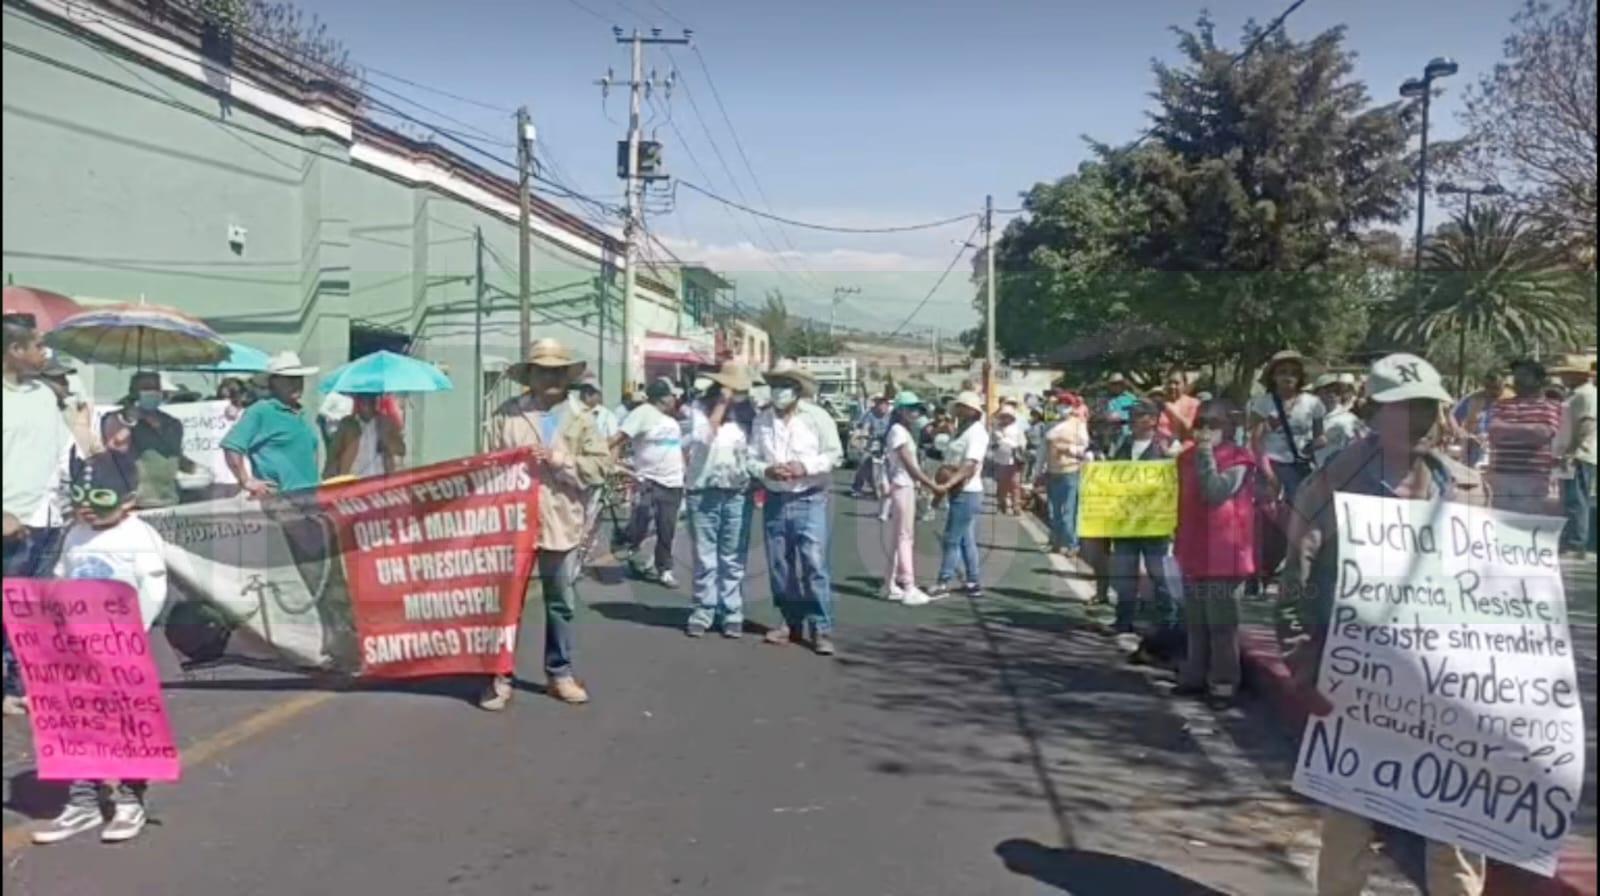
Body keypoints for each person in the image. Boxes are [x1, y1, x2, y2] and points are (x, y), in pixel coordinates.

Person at [1279, 353, 1488, 896]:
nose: (1421, 418)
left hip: (1447, 687)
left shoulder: (1468, 487)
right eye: (1406, 406)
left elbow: (1492, 585)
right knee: (1349, 828)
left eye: (1430, 405)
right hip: (1356, 688)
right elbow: (1296, 581)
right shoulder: (1332, 483)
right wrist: (1303, 663)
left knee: (1458, 830)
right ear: (1376, 412)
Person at [32, 459, 167, 844]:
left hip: (122, 650)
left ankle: (129, 799)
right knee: (77, 723)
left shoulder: (139, 535)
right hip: (77, 651)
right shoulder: (75, 533)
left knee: (126, 725)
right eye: (80, 497)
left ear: (128, 501)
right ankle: (83, 800)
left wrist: (130, 636)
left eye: (100, 498)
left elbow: (153, 587)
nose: (88, 506)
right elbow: (61, 578)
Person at [480, 338, 611, 709]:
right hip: (513, 523)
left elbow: (599, 468)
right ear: (531, 375)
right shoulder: (508, 414)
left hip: (559, 521)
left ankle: (560, 673)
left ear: (566, 376)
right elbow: (487, 462)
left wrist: (559, 460)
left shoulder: (581, 418)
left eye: (557, 371)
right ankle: (498, 676)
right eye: (543, 370)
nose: (550, 378)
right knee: (506, 605)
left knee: (560, 603)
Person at [2, 312, 74, 716]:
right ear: (15, 350)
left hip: (49, 521)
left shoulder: (46, 395)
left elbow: (63, 451)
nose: (43, 352)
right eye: (36, 345)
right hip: (11, 523)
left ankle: (23, 685)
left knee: (32, 611)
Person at [748, 361, 843, 655]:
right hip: (776, 499)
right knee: (780, 565)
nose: (779, 391)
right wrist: (766, 470)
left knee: (814, 565)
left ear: (798, 389)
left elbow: (834, 455)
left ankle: (821, 628)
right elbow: (751, 457)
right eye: (775, 384)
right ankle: (790, 622)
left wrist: (805, 467)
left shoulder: (817, 417)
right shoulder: (762, 420)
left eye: (785, 385)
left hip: (809, 497)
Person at [1173, 399, 1255, 709]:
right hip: (1194, 546)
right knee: (1195, 620)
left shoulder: (1239, 458)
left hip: (1226, 551)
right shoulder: (1185, 458)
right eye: (1201, 423)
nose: (1206, 430)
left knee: (1222, 624)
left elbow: (1215, 491)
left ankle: (1223, 683)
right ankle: (1195, 675)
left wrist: (1206, 454)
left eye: (1213, 423)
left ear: (1228, 426)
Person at [683, 362, 756, 638]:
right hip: (703, 491)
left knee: (733, 555)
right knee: (705, 557)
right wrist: (720, 407)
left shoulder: (747, 417)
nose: (735, 395)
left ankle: (732, 611)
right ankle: (703, 609)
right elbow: (701, 440)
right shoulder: (697, 411)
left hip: (736, 492)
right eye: (731, 390)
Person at [1109, 401, 1184, 655]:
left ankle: (1168, 623)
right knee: (1124, 573)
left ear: (1153, 419)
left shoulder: (1168, 445)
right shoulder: (1122, 444)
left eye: (1140, 415)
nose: (1134, 420)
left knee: (1159, 574)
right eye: (1132, 415)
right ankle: (1123, 619)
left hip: (1155, 522)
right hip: (1126, 521)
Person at [1248, 350, 1323, 576]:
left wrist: (1314, 446)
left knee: (1299, 520)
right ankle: (1263, 569)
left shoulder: (1313, 403)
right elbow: (1256, 440)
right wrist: (1267, 472)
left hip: (1299, 467)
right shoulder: (1263, 403)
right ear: (1273, 377)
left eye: (1292, 373)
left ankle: (1293, 567)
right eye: (1282, 372)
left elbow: (1320, 436)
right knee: (1268, 521)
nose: (1287, 377)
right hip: (1270, 464)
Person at [613, 378, 687, 587]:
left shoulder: (672, 422)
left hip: (673, 481)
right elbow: (619, 438)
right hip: (648, 480)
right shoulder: (643, 413)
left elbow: (677, 449)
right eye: (673, 395)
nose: (675, 399)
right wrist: (606, 461)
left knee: (667, 528)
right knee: (642, 520)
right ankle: (628, 540)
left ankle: (664, 569)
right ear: (664, 397)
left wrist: (684, 472)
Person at [221, 352, 322, 498]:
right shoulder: (262, 411)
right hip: (279, 502)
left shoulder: (303, 413)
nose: (297, 383)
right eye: (290, 379)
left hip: (310, 500)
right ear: (273, 382)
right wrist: (246, 481)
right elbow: (231, 446)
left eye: (299, 378)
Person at [880, 391, 945, 606]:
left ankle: (889, 583)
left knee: (899, 536)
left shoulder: (902, 430)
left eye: (916, 408)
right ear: (900, 410)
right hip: (903, 485)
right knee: (905, 537)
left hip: (904, 485)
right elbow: (909, 463)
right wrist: (930, 484)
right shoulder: (899, 431)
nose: (915, 412)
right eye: (910, 408)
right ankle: (908, 585)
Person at [931, 390, 989, 598]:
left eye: (960, 407)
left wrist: (946, 485)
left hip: (966, 491)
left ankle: (943, 582)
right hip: (961, 490)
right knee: (965, 539)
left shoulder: (976, 434)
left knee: (951, 539)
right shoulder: (962, 430)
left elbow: (969, 465)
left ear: (970, 411)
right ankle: (973, 582)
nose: (956, 410)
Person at [109, 371, 196, 509]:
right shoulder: (116, 419)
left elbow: (175, 455)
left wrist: (196, 469)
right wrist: (130, 422)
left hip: (168, 499)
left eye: (155, 388)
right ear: (134, 392)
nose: (152, 392)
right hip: (134, 502)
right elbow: (115, 446)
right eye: (146, 388)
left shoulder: (172, 423)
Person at [1486, 358, 1562, 515]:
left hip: (1533, 476)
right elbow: (1494, 430)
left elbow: (1544, 433)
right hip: (1502, 474)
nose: (1517, 379)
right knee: (1500, 521)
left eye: (1524, 375)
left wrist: (1507, 429)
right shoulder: (1502, 404)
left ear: (1539, 380)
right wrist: (1528, 430)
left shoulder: (1550, 406)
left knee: (1527, 524)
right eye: (1516, 375)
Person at [1555, 360, 1596, 556]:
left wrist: (1571, 451)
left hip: (1578, 455)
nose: (1563, 377)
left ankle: (1576, 543)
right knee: (1568, 498)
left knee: (1576, 499)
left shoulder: (1585, 395)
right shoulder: (1575, 395)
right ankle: (1568, 539)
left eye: (1567, 373)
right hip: (1567, 454)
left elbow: (1586, 424)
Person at [1043, 395, 1090, 556]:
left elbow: (1084, 448)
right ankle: (1056, 542)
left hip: (1070, 470)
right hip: (1052, 471)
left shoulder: (1078, 425)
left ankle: (1072, 544)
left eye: (1066, 404)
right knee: (1054, 510)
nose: (1062, 407)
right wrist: (1039, 471)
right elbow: (1043, 451)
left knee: (1068, 511)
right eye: (1060, 404)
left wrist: (1067, 449)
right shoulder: (1052, 425)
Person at [324, 394, 406, 479]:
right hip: (355, 484)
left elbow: (401, 450)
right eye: (364, 402)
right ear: (358, 402)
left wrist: (387, 441)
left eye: (371, 401)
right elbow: (332, 456)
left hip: (380, 482)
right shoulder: (347, 425)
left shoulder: (385, 423)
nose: (367, 406)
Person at [38, 350, 100, 457]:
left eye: (64, 378)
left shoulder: (68, 410)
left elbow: (91, 447)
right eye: (57, 379)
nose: (66, 383)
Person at [1451, 370, 1507, 468]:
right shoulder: (1472, 399)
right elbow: (1453, 418)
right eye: (1492, 388)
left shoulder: (1509, 401)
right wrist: (1463, 434)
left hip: (1499, 455)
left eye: (1498, 388)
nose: (1495, 392)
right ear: (1486, 386)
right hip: (1473, 453)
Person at [1312, 372, 1365, 467]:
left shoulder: (1349, 420)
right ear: (1316, 394)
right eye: (1327, 391)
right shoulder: (1309, 418)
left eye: (1337, 391)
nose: (1332, 395)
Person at [850, 394, 893, 498]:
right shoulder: (870, 414)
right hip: (872, 441)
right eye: (880, 403)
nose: (882, 406)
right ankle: (857, 487)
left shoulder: (892, 416)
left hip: (888, 442)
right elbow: (865, 427)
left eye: (884, 403)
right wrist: (862, 436)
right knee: (863, 462)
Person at [991, 401, 1028, 515]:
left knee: (1015, 483)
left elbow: (1023, 442)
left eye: (1007, 416)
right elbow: (991, 443)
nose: (1005, 418)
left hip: (1013, 458)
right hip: (1000, 459)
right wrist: (996, 445)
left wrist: (1018, 449)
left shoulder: (1016, 429)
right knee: (1002, 483)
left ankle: (1016, 506)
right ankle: (1001, 503)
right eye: (1003, 416)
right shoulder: (996, 429)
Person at [1155, 371, 1200, 444]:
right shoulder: (1156, 403)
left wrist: (1172, 410)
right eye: (1169, 382)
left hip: (1185, 448)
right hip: (1159, 448)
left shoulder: (1194, 404)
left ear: (1184, 385)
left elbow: (1192, 430)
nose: (1172, 386)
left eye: (1176, 383)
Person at [570, 376, 619, 441]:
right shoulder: (574, 413)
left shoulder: (608, 416)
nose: (587, 395)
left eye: (591, 392)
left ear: (599, 394)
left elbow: (615, 440)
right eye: (584, 391)